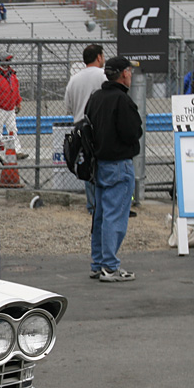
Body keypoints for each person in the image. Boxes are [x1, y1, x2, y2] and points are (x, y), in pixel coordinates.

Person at [84, 56, 143, 282]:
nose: (131, 75)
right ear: (124, 73)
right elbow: (132, 132)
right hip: (119, 164)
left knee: (101, 215)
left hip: (100, 164)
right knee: (114, 217)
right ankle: (110, 266)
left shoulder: (96, 97)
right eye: (129, 71)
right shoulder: (122, 100)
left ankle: (99, 263)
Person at [64, 44, 106, 214]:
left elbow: (68, 107)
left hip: (80, 125)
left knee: (87, 164)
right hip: (101, 125)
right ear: (98, 57)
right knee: (103, 164)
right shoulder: (104, 76)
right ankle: (103, 203)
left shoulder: (74, 79)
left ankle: (92, 205)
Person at [0, 53, 22, 157]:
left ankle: (16, 150)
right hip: (0, 107)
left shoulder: (11, 74)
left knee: (13, 129)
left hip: (10, 107)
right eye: (7, 61)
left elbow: (16, 89)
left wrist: (18, 103)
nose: (9, 63)